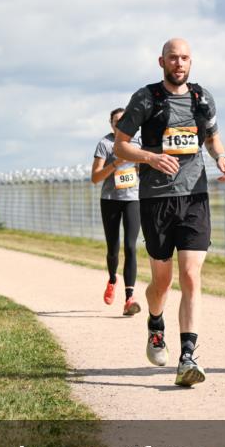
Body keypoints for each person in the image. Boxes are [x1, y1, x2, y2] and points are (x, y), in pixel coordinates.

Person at [113, 38, 225, 387]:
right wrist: (150, 157)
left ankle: (188, 357)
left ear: (191, 62)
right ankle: (155, 322)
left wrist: (221, 159)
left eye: (185, 59)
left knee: (192, 276)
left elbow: (212, 137)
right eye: (173, 58)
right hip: (156, 199)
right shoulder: (146, 98)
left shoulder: (202, 98)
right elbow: (122, 143)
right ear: (161, 61)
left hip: (195, 196)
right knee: (162, 282)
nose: (179, 64)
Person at [92, 108, 143, 316]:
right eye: (116, 121)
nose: (120, 124)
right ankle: (112, 278)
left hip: (133, 199)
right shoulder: (105, 144)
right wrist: (116, 163)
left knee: (130, 246)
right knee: (113, 249)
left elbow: (143, 169)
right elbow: (95, 178)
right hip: (110, 200)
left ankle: (129, 298)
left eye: (124, 121)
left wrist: (140, 166)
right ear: (111, 124)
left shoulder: (138, 143)